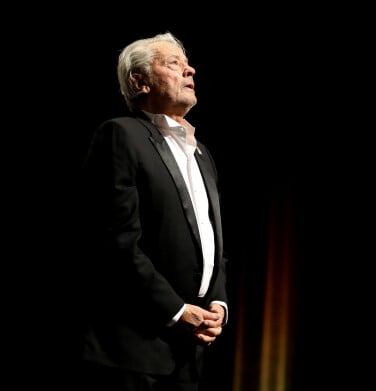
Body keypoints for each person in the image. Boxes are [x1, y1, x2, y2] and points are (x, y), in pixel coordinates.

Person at [73, 32, 229, 391]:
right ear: (139, 81)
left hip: (190, 352)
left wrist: (217, 302)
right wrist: (177, 310)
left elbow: (213, 243)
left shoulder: (202, 153)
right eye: (173, 63)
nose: (189, 69)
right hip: (132, 351)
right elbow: (116, 242)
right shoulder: (120, 134)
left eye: (186, 63)